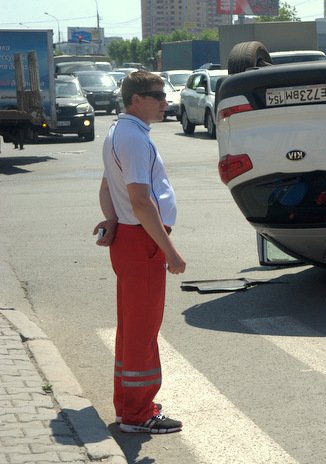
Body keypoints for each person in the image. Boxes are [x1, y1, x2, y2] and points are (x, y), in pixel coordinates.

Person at [93, 70, 186, 434]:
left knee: (133, 326)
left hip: (132, 239)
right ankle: (138, 414)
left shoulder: (121, 132)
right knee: (142, 329)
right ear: (135, 99)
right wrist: (171, 251)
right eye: (156, 95)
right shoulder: (132, 138)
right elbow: (141, 200)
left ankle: (128, 406)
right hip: (143, 241)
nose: (165, 101)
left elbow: (105, 188)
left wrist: (111, 219)